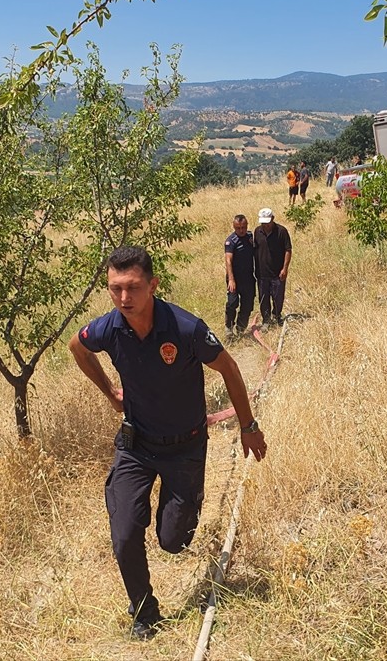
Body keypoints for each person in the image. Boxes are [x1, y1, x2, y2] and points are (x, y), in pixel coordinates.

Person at [68, 246, 268, 641]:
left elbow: (229, 368)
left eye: (133, 288)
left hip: (185, 447)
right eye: (115, 289)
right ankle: (144, 612)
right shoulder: (110, 327)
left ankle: (185, 506)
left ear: (153, 285)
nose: (124, 298)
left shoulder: (185, 328)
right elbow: (77, 346)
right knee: (124, 533)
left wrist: (248, 425)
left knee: (172, 541)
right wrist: (110, 391)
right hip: (135, 445)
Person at [254, 207, 292, 326]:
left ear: (273, 219)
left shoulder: (281, 231)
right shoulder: (257, 232)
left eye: (268, 222)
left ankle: (276, 315)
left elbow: (288, 250)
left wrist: (285, 268)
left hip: (277, 272)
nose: (266, 225)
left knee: (278, 297)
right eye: (263, 223)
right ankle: (266, 320)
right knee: (264, 298)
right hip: (262, 273)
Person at [223, 214, 255, 338]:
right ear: (234, 227)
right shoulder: (231, 241)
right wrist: (231, 279)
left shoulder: (250, 237)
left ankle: (241, 329)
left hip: (248, 277)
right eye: (238, 228)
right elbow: (228, 260)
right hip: (235, 278)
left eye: (243, 227)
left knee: (247, 304)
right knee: (232, 303)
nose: (241, 230)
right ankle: (229, 328)